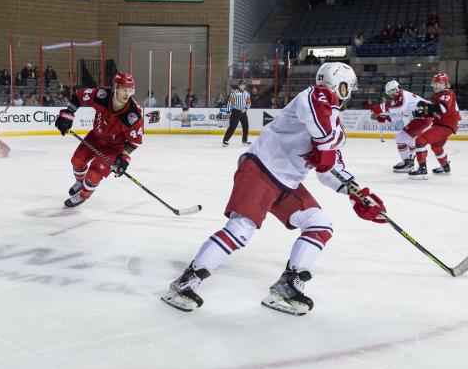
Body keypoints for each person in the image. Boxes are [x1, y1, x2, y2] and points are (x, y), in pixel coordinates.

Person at [161, 62, 387, 316]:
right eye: (348, 88)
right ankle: (185, 283)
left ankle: (287, 285)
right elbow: (320, 125)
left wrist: (358, 193)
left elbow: (329, 169)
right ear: (341, 86)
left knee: (320, 225)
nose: (349, 94)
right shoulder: (314, 96)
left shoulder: (336, 126)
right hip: (261, 169)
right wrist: (324, 148)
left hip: (286, 183)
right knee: (241, 229)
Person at [54, 72, 144, 207]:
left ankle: (83, 195)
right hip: (95, 137)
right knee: (77, 161)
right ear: (115, 88)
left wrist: (124, 159)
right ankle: (80, 181)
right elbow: (79, 95)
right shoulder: (101, 95)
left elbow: (134, 141)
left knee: (94, 174)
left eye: (130, 90)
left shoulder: (133, 116)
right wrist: (68, 113)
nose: (127, 94)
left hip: (114, 148)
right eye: (124, 89)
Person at [408, 74, 461, 179]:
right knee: (436, 147)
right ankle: (445, 167)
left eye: (436, 83)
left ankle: (422, 170)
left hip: (445, 125)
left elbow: (442, 108)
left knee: (420, 140)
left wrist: (426, 107)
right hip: (445, 124)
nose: (434, 85)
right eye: (433, 83)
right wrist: (423, 112)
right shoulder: (439, 95)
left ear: (444, 84)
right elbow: (436, 112)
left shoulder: (447, 93)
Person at [383, 80, 432, 173]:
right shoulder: (396, 99)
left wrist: (383, 110)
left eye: (392, 90)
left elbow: (400, 108)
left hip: (423, 116)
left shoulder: (402, 94)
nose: (391, 93)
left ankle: (408, 162)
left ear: (397, 88)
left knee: (401, 137)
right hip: (421, 117)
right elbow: (397, 115)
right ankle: (410, 157)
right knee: (408, 137)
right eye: (389, 92)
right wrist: (385, 117)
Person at [222, 80, 251, 146]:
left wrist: (246, 108)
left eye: (243, 85)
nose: (242, 86)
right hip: (235, 111)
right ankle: (225, 141)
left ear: (245, 86)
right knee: (232, 126)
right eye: (241, 85)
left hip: (243, 112)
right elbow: (229, 103)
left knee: (246, 126)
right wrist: (228, 112)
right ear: (238, 86)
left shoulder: (247, 94)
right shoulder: (234, 93)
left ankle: (245, 140)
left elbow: (249, 103)